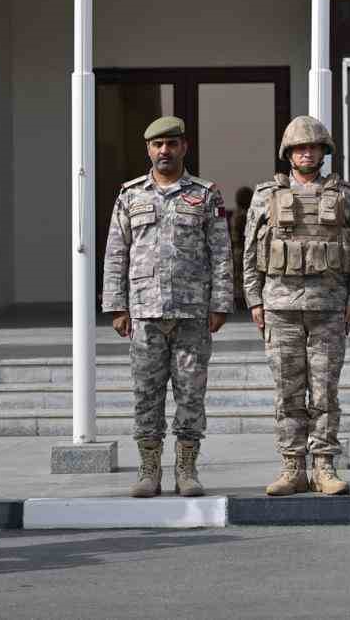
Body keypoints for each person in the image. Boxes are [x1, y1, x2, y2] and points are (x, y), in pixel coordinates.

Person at [102, 116, 232, 499]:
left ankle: (187, 470)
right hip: (145, 314)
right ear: (148, 149)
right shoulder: (130, 195)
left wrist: (221, 303)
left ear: (183, 147)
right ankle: (149, 470)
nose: (165, 151)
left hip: (192, 313)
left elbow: (221, 252)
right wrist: (116, 306)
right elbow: (116, 253)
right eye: (158, 145)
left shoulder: (206, 195)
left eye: (172, 144)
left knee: (191, 394)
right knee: (146, 394)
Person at [244, 116, 350, 497]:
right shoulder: (266, 195)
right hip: (280, 307)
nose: (307, 153)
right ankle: (292, 466)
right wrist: (254, 300)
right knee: (287, 392)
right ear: (288, 153)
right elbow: (250, 251)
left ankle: (324, 465)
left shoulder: (345, 195)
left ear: (324, 152)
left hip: (329, 308)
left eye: (313, 147)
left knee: (325, 392)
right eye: (300, 148)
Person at [230, 185, 254, 311]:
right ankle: (243, 300)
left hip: (237, 249)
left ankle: (239, 299)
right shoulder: (244, 215)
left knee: (238, 276)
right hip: (243, 248)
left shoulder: (236, 213)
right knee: (245, 275)